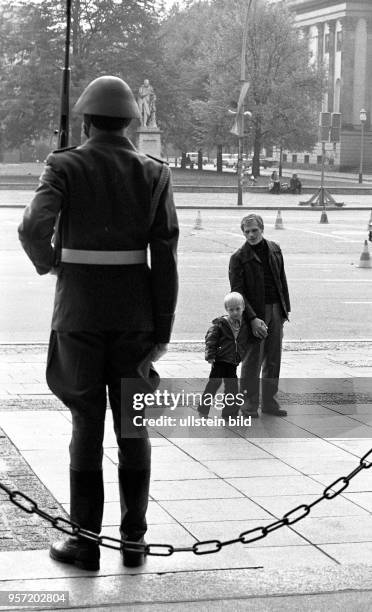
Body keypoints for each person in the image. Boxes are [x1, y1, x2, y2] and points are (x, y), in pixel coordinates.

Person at [18, 75, 179, 571]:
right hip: (134, 317)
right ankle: (134, 540)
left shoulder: (65, 164)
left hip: (79, 313)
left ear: (86, 120)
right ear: (131, 121)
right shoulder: (155, 172)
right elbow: (166, 256)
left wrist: (51, 263)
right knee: (134, 425)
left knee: (86, 424)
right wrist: (162, 328)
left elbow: (30, 227)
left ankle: (84, 542)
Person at [229, 214, 290, 418]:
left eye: (254, 230)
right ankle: (249, 405)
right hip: (255, 314)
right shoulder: (239, 257)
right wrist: (252, 318)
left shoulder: (274, 249)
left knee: (274, 358)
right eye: (247, 231)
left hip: (275, 309)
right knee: (252, 361)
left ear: (262, 229)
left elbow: (282, 281)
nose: (251, 235)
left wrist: (284, 310)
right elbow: (238, 293)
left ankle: (269, 403)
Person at [198, 292, 249, 419]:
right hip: (219, 360)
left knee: (232, 388)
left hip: (232, 361)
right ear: (227, 309)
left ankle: (230, 414)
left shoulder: (243, 325)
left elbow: (246, 339)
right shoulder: (220, 324)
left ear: (243, 307)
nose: (235, 312)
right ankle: (203, 410)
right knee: (214, 384)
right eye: (231, 310)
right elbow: (211, 339)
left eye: (238, 309)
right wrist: (210, 355)